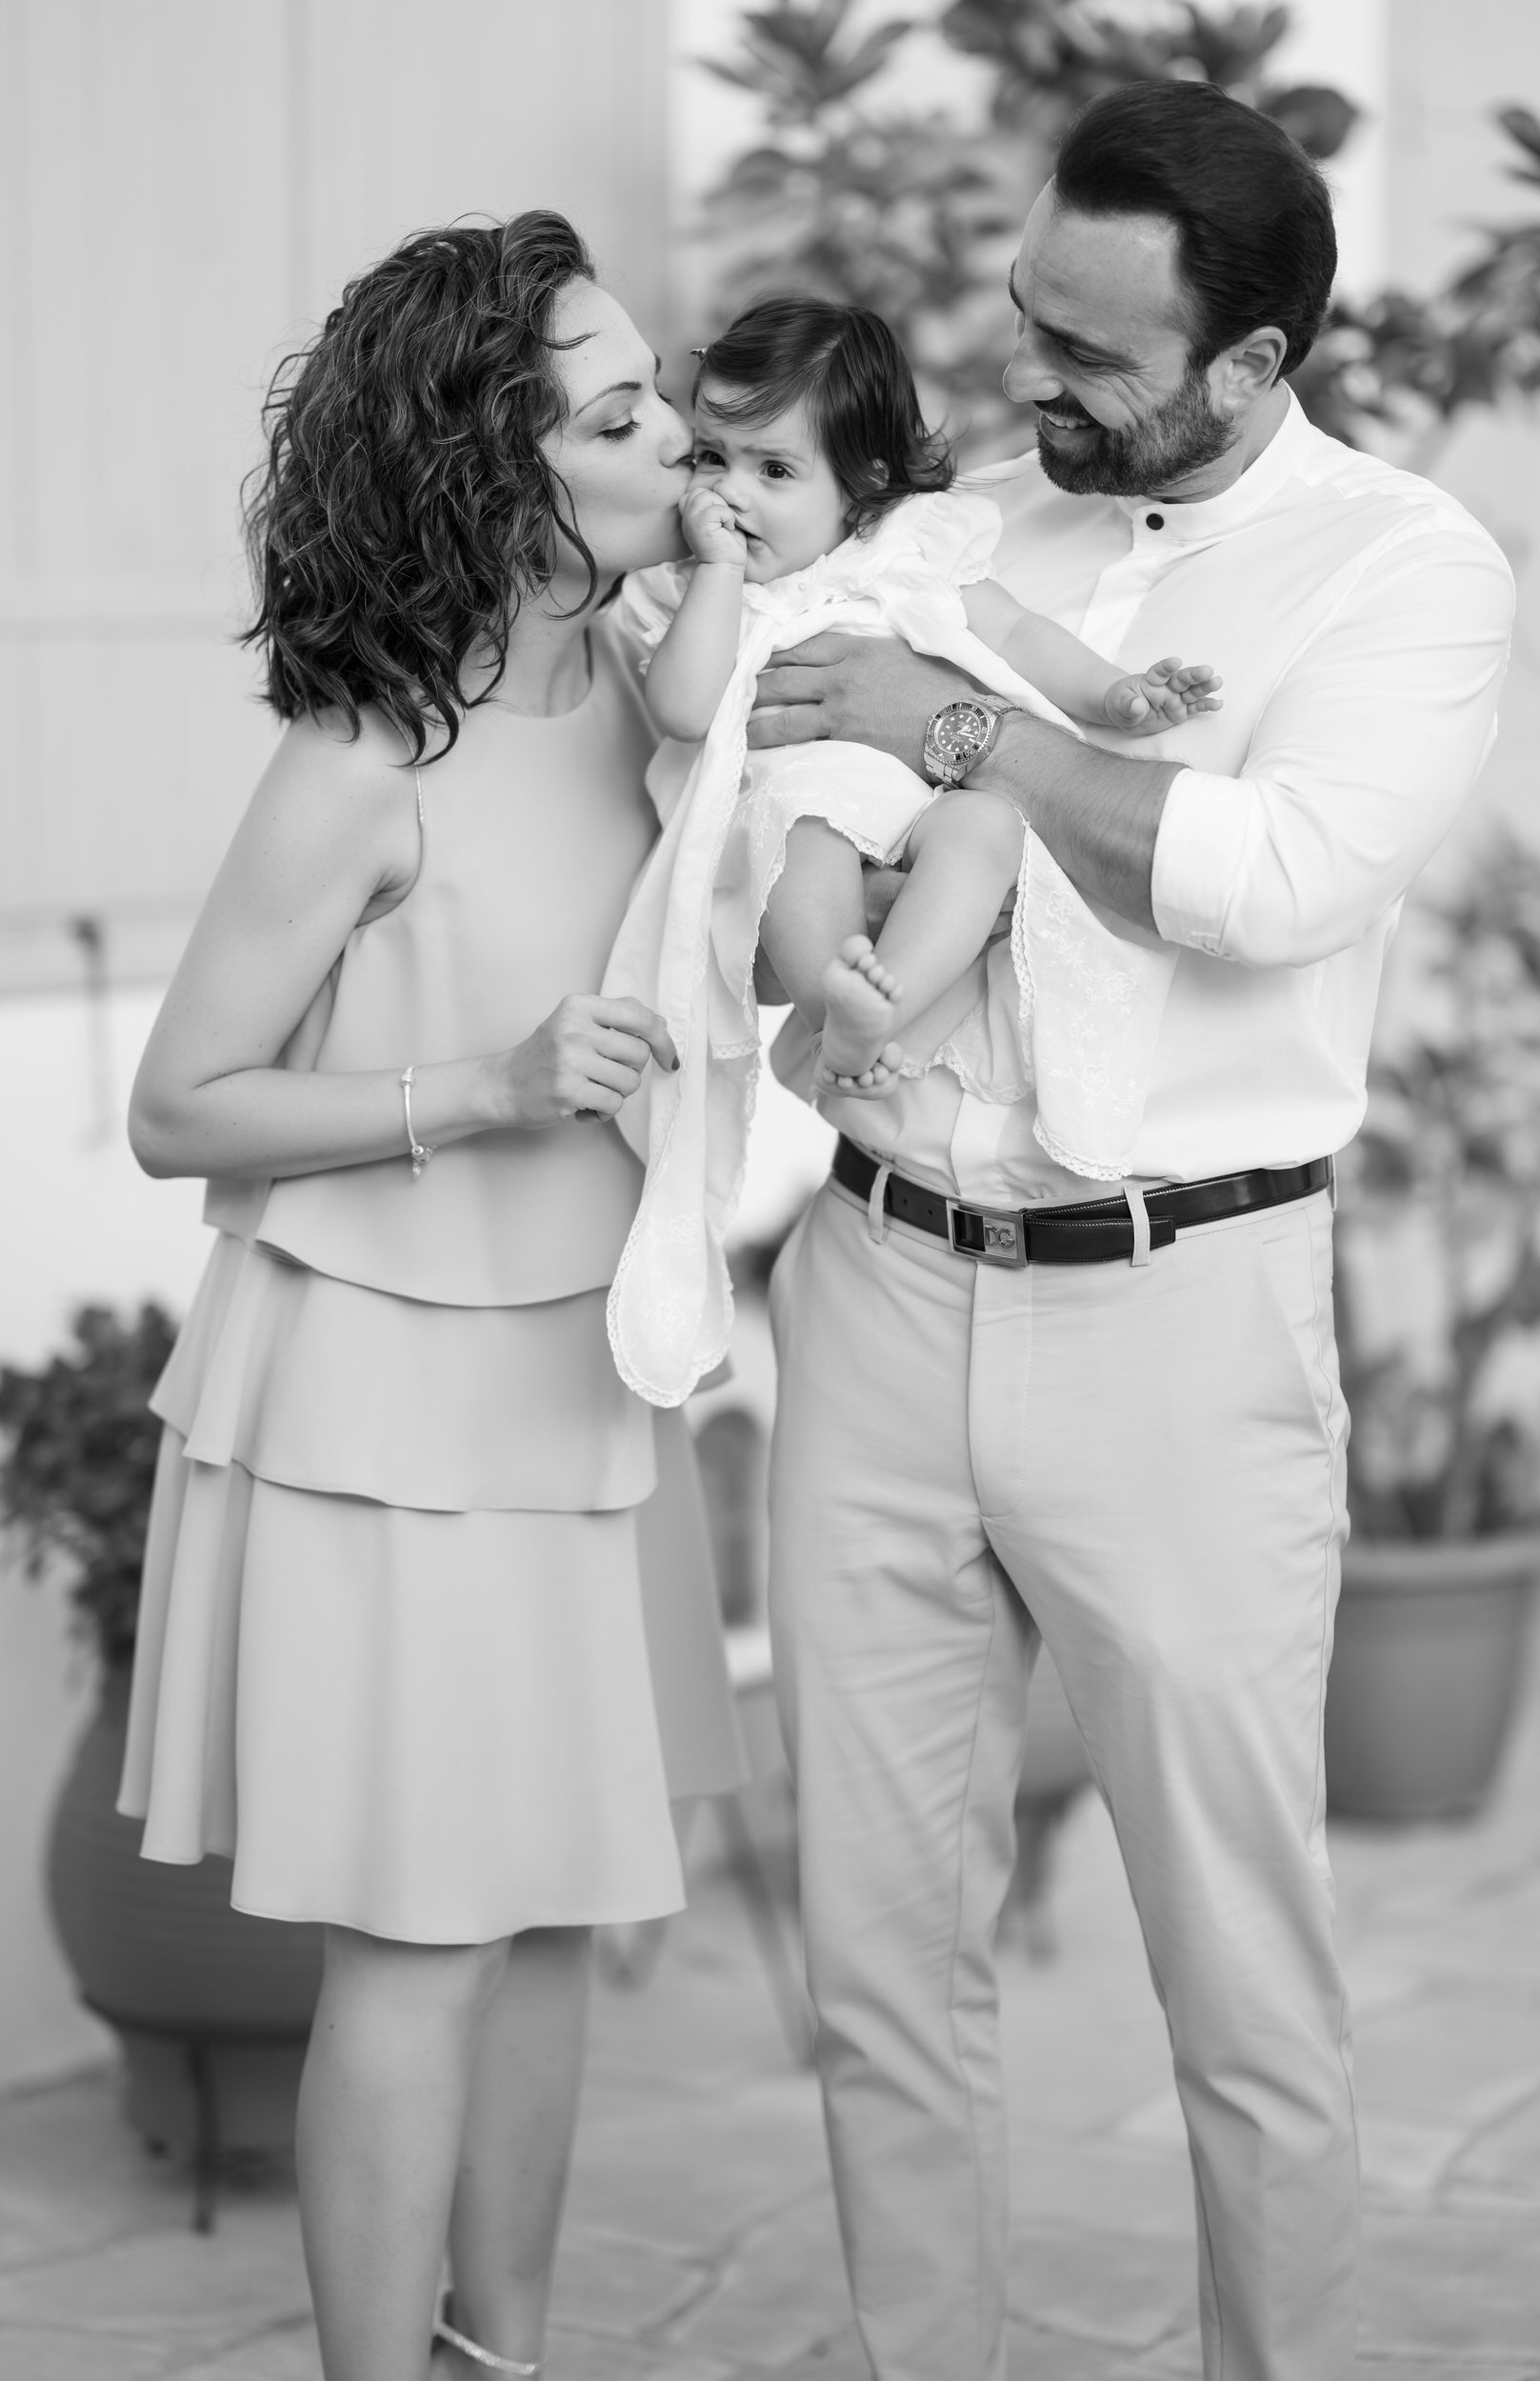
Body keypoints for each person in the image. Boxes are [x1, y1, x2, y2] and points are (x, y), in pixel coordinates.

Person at [753, 81, 1515, 2381]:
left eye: (1090, 354)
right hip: (878, 1279)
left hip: (1179, 1315)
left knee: (1240, 1969)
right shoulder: (968, 531)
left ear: (1249, 365)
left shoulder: (1406, 568)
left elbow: (1273, 883)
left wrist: (958, 739)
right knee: (879, 1963)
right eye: (1024, 324)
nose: (1030, 386)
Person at [119, 212, 743, 2381]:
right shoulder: (361, 755)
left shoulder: (663, 705)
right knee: (421, 1945)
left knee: (559, 1910)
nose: (672, 433)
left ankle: (511, 2352)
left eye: (655, 390)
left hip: (581, 1391)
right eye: (616, 413)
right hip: (378, 1413)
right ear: (497, 473)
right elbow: (178, 1109)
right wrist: (472, 1090)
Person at [601, 296, 1217, 1407]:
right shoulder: (700, 589)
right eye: (711, 455)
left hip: (927, 789)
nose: (727, 492)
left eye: (772, 471)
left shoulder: (915, 550)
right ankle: (845, 991)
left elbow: (1018, 638)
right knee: (812, 846)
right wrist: (722, 580)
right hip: (802, 795)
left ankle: (889, 1001)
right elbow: (687, 709)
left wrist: (1116, 695)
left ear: (865, 482)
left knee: (987, 827)